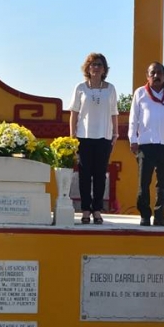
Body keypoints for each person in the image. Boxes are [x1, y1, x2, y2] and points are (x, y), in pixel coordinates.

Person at [128, 62, 164, 227]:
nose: (156, 76)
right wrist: (133, 140)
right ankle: (145, 215)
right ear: (147, 76)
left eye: (159, 73)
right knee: (143, 183)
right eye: (152, 73)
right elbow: (133, 119)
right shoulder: (140, 93)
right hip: (145, 145)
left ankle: (159, 216)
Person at [68, 53, 118, 225]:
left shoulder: (110, 89)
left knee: (99, 175)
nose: (96, 67)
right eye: (93, 64)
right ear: (87, 68)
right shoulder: (80, 88)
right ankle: (85, 211)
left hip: (104, 137)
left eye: (99, 65)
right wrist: (72, 136)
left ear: (104, 69)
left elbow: (114, 112)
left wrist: (116, 133)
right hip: (84, 137)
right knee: (84, 175)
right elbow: (74, 113)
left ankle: (97, 210)